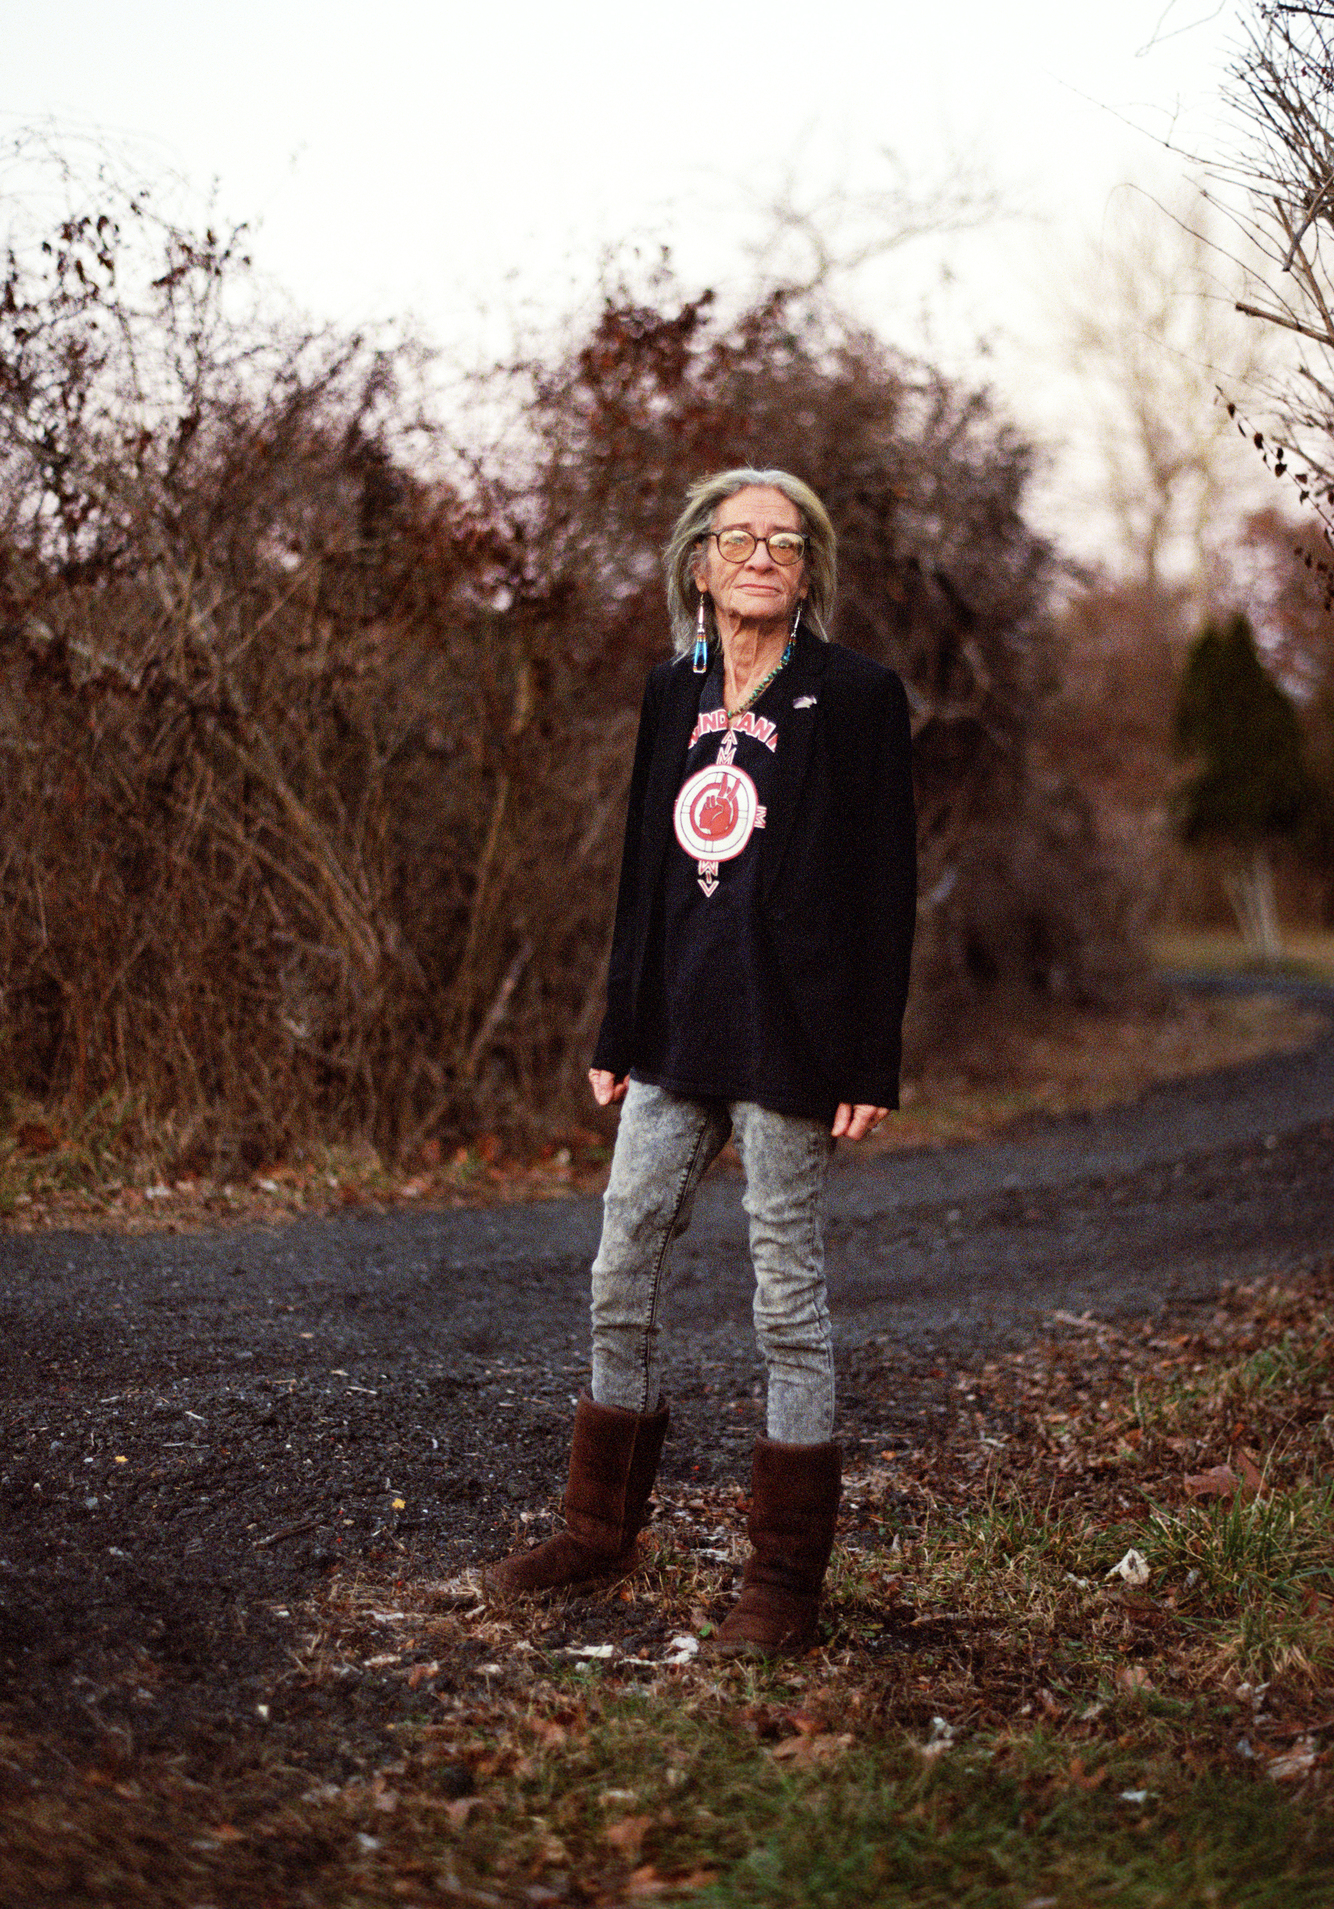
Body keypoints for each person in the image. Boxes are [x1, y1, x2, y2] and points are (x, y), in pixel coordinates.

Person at [482, 468, 917, 1655]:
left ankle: (782, 1581)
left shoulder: (859, 697)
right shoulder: (667, 692)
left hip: (794, 1038)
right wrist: (619, 1029)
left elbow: (887, 892)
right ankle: (597, 1527)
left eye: (786, 541)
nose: (763, 556)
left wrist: (869, 1056)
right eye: (740, 539)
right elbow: (643, 868)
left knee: (788, 1297)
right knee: (620, 1258)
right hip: (676, 1030)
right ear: (699, 566)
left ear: (810, 568)